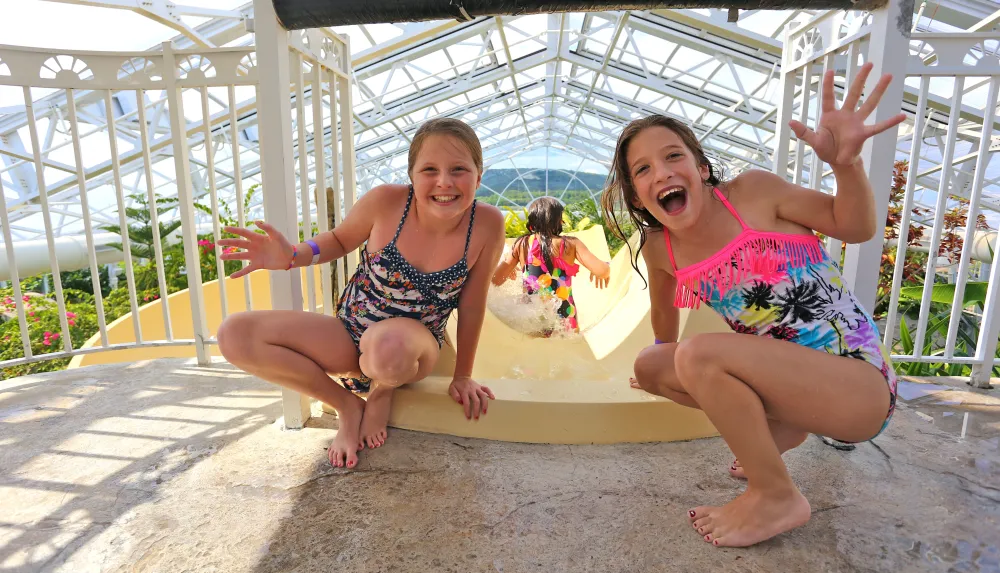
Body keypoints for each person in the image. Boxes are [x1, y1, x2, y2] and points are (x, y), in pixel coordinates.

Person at [605, 64, 903, 547]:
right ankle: (784, 426)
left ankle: (775, 494)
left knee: (699, 354)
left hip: (859, 387)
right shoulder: (661, 248)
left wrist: (846, 166)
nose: (661, 173)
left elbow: (855, 227)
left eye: (672, 156)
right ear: (637, 195)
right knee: (656, 363)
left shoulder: (754, 194)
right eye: (642, 170)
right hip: (796, 383)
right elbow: (665, 318)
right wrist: (666, 362)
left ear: (700, 168)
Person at [216, 118, 505, 469]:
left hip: (410, 349)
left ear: (479, 175)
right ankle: (348, 405)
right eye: (429, 169)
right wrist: (292, 255)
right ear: (412, 175)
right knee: (235, 335)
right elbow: (338, 240)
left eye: (459, 169)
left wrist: (462, 376)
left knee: (387, 348)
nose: (444, 181)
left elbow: (472, 304)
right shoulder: (386, 202)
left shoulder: (488, 224)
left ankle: (382, 390)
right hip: (351, 332)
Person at [491, 196, 611, 335]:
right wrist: (602, 267)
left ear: (532, 221)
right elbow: (602, 271)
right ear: (559, 221)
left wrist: (505, 267)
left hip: (532, 319)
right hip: (565, 319)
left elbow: (494, 281)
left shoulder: (521, 244)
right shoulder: (571, 244)